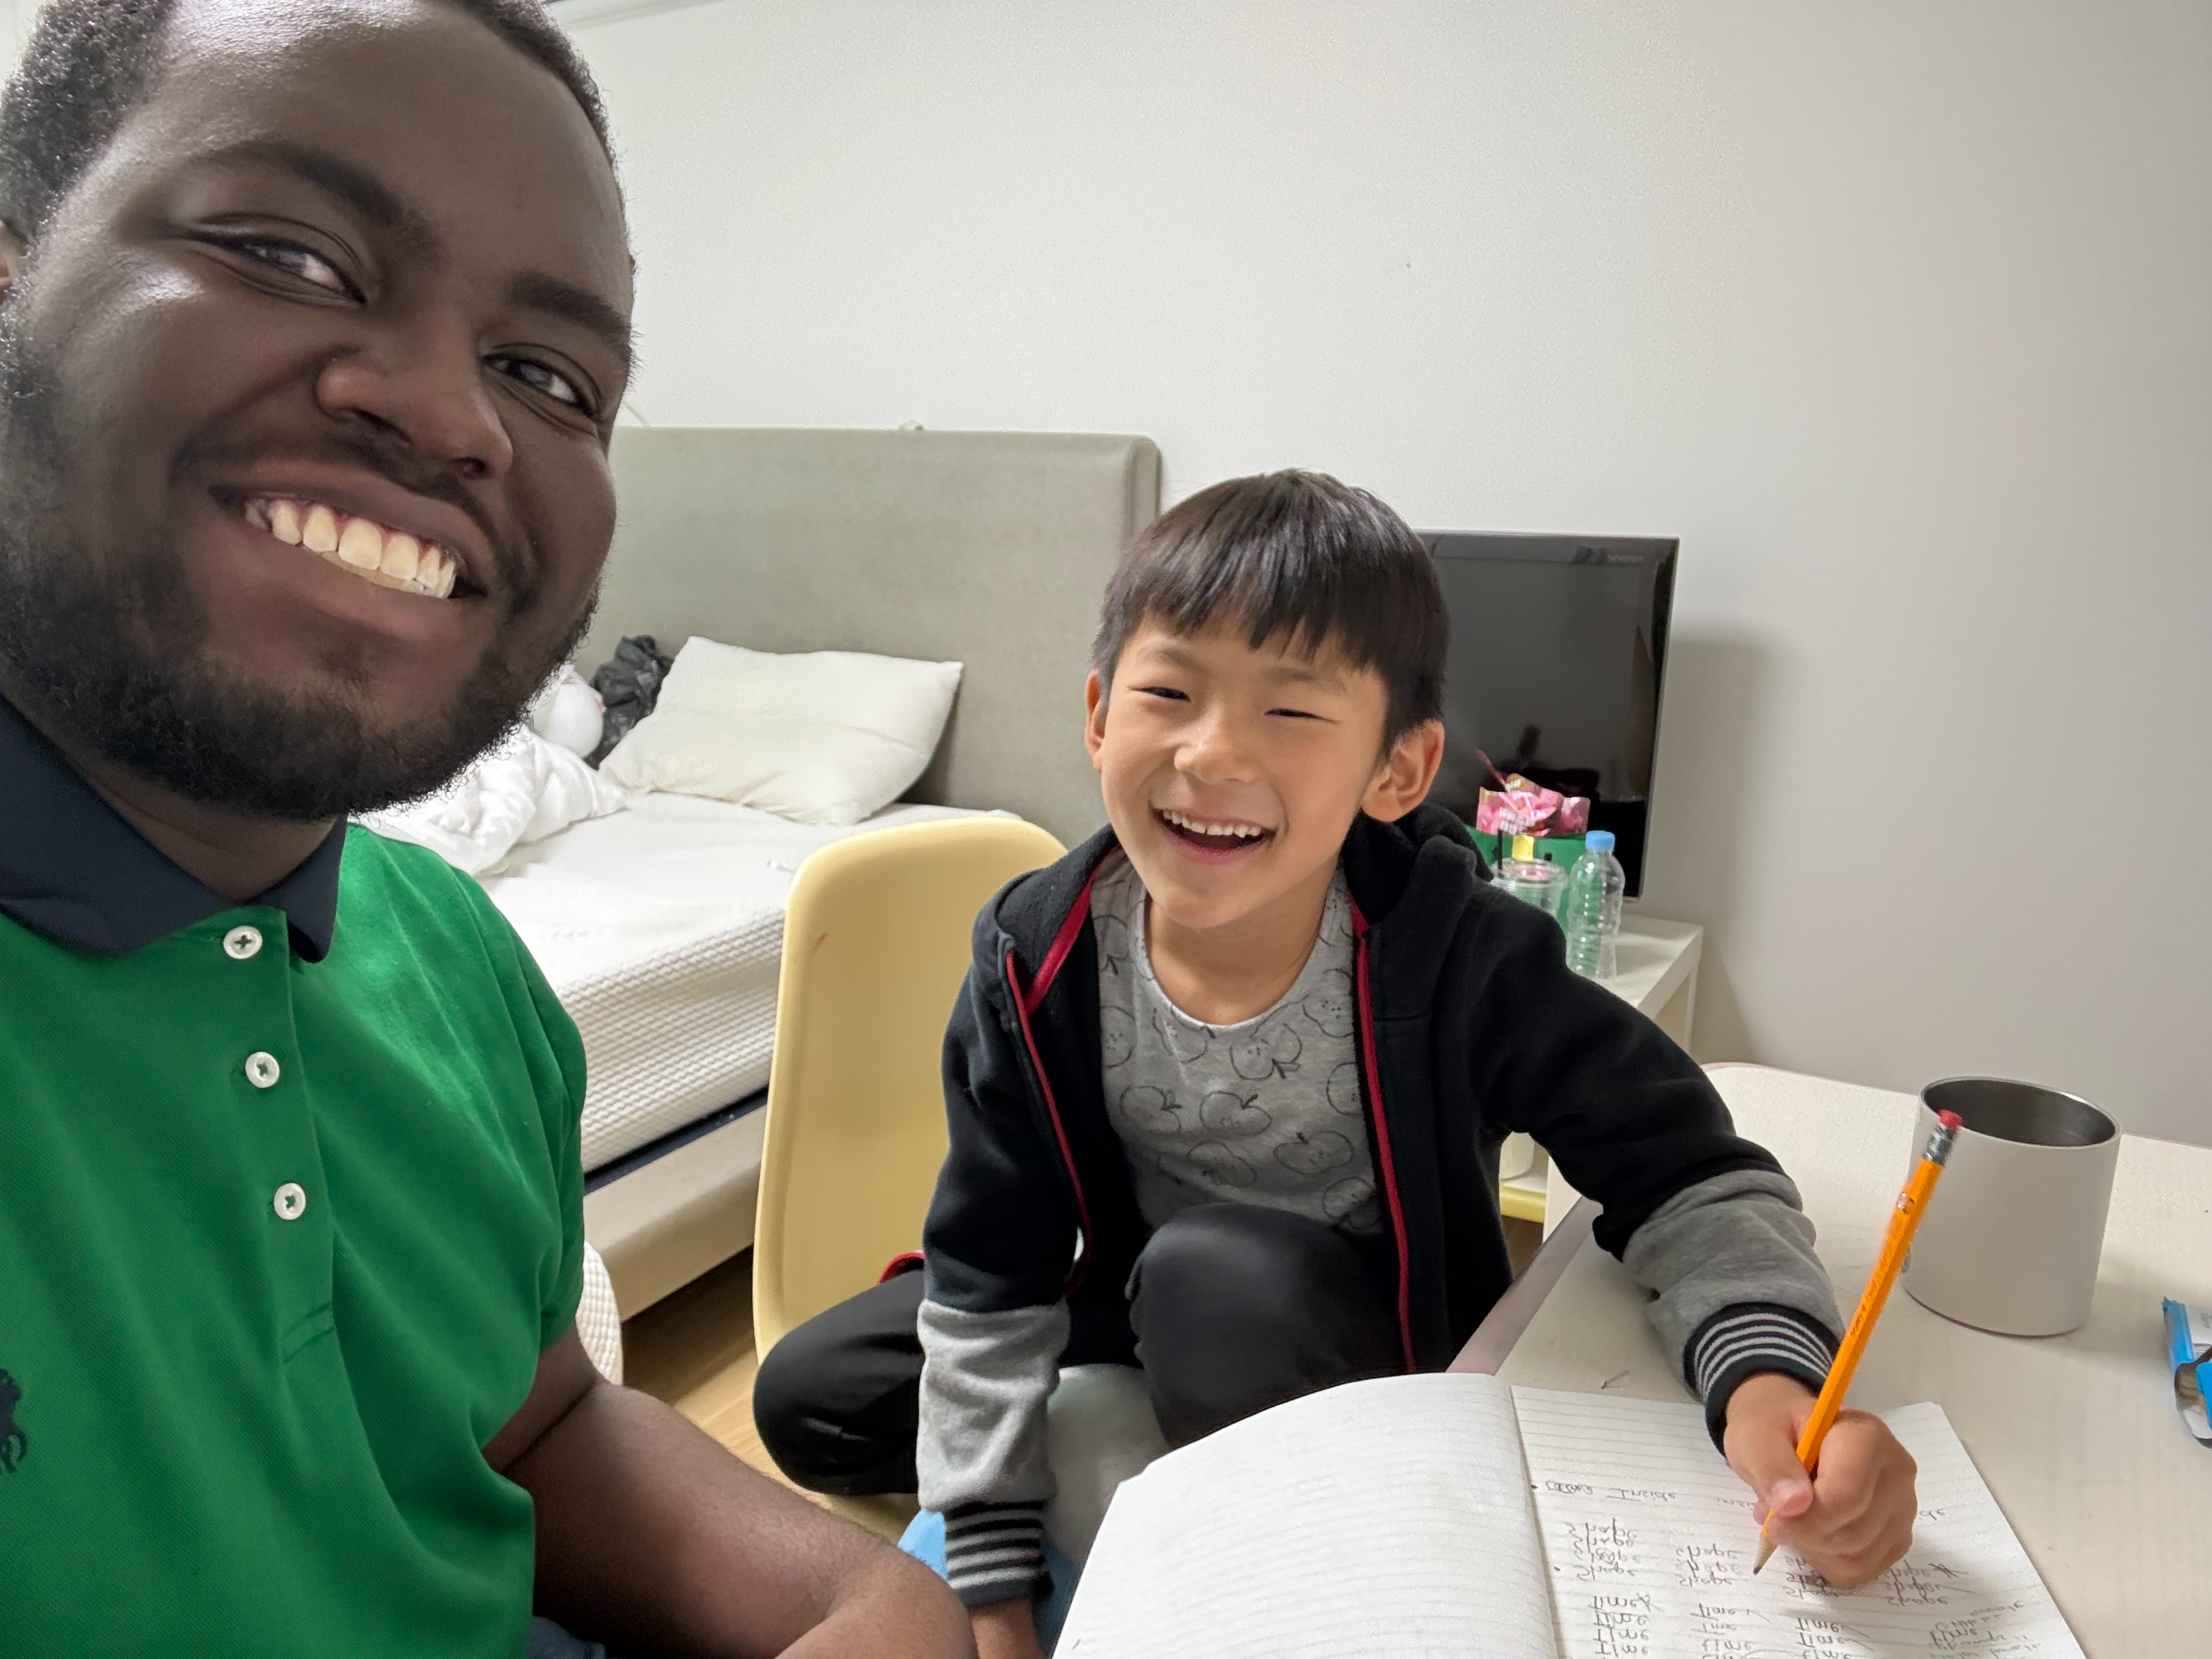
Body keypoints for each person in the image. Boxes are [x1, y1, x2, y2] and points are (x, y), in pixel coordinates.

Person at [0, 2, 970, 1655]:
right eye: (290, 252)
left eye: (548, 376)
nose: (457, 421)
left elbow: (525, 1427)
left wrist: (853, 1591)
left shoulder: (452, 954)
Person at [754, 471, 1918, 1658]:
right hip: (1133, 1307)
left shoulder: (1458, 953)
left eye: (1291, 713)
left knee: (1211, 1275)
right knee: (811, 1395)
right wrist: (993, 1600)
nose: (1211, 754)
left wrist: (1771, 1383)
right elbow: (989, 1268)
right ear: (1101, 712)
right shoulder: (1036, 956)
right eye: (1171, 692)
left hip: (1346, 1332)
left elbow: (1690, 1175)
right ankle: (1140, 1452)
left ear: (1398, 772)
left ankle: (1262, 1536)